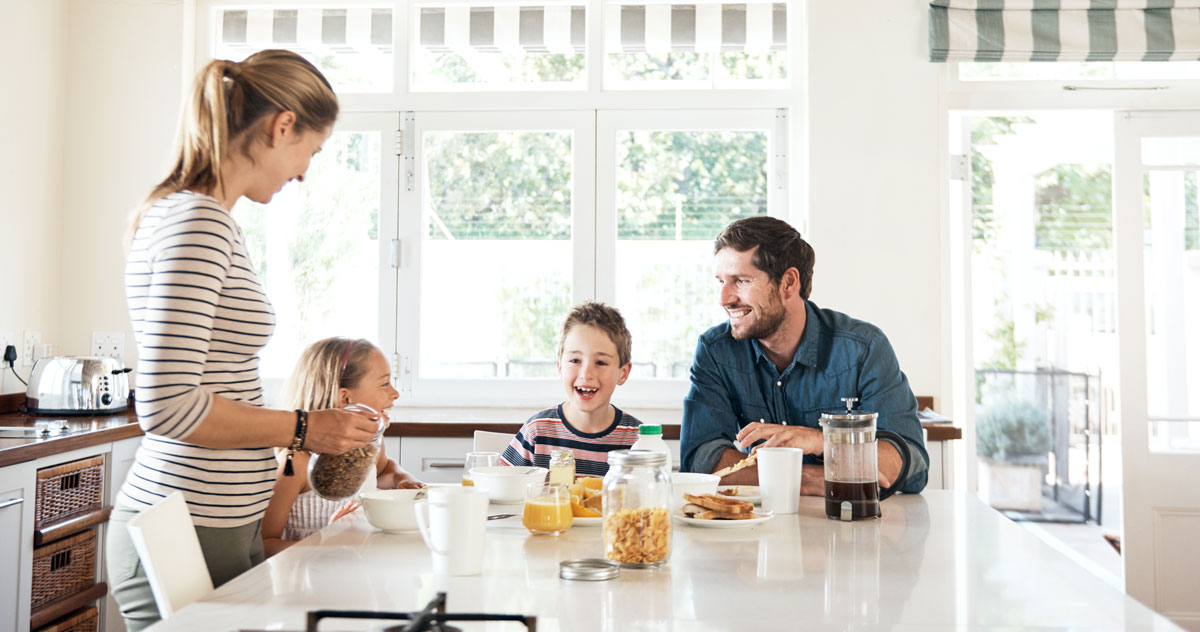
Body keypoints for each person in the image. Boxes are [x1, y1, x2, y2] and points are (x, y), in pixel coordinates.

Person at [107, 50, 380, 631]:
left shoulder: (193, 217)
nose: (304, 170)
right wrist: (305, 427)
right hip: (189, 524)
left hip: (216, 521)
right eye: (311, 150)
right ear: (282, 126)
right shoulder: (199, 222)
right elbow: (166, 404)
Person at [679, 216, 928, 495]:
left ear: (788, 283)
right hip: (760, 526)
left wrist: (824, 441)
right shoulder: (716, 350)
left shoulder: (863, 348)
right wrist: (812, 479)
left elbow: (909, 466)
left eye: (741, 281)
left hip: (854, 527)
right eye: (721, 281)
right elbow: (701, 462)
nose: (724, 298)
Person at [261, 337, 423, 556]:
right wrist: (326, 541)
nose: (395, 393)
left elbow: (384, 471)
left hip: (352, 569)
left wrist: (402, 479)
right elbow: (264, 546)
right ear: (345, 398)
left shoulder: (369, 445)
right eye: (384, 383)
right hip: (304, 583)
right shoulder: (296, 463)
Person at [502, 302, 643, 477]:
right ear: (560, 367)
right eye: (575, 360)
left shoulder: (639, 441)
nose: (586, 374)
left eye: (600, 362)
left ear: (623, 373)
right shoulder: (537, 431)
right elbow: (503, 489)